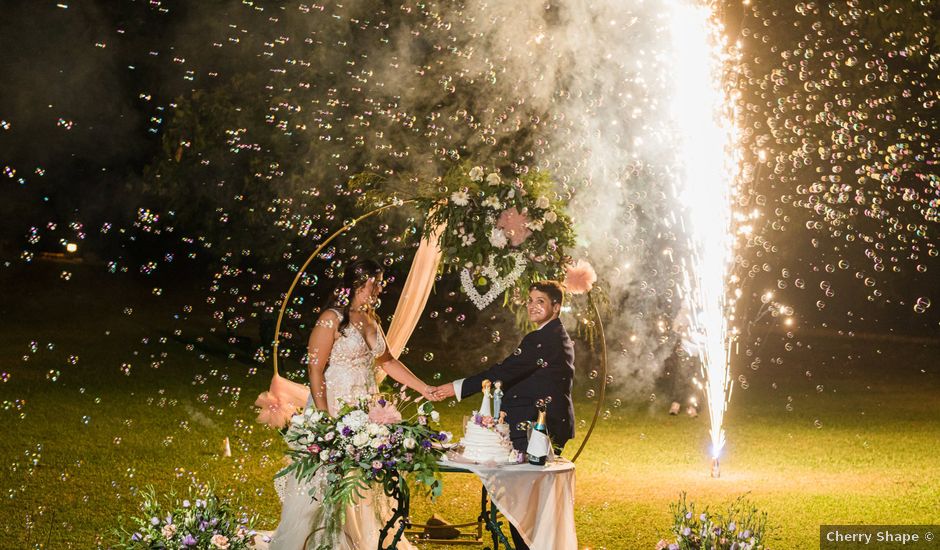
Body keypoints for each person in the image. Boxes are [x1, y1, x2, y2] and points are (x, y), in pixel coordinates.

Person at [268, 258, 439, 550]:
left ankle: (360, 540)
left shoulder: (372, 319)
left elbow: (387, 361)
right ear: (357, 283)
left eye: (381, 282)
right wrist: (323, 420)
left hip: (365, 410)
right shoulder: (332, 318)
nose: (380, 288)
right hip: (333, 406)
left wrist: (425, 388)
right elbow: (315, 369)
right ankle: (322, 540)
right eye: (376, 281)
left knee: (361, 477)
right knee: (326, 479)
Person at [433, 280, 575, 550]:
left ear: (556, 307)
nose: (533, 306)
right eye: (531, 300)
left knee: (523, 501)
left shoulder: (544, 339)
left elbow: (505, 370)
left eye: (540, 301)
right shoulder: (553, 336)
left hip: (537, 428)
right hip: (537, 424)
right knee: (529, 501)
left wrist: (456, 388)